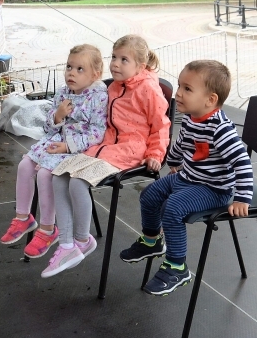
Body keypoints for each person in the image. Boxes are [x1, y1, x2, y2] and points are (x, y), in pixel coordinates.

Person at [42, 34, 171, 278]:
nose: (115, 64)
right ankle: (66, 244)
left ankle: (81, 240)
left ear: (140, 66)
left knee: (78, 182)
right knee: (59, 177)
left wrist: (155, 153)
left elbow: (161, 125)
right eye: (114, 57)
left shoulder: (149, 89)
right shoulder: (113, 86)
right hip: (105, 146)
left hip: (129, 151)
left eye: (124, 60)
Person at [120, 60, 252, 295]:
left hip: (214, 189)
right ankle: (152, 241)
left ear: (210, 100)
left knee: (173, 209)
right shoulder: (192, 118)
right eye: (180, 86)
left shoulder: (220, 129)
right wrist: (174, 162)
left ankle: (177, 266)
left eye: (187, 89)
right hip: (188, 176)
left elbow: (242, 163)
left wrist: (242, 197)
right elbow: (182, 144)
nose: (178, 93)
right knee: (150, 195)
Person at [0, 44, 108, 259]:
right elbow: (47, 128)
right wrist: (58, 116)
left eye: (80, 69)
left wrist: (68, 146)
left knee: (43, 174)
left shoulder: (98, 97)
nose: (71, 73)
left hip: (77, 149)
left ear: (95, 74)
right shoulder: (62, 92)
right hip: (56, 142)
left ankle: (48, 229)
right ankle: (23, 217)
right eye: (69, 67)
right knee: (24, 166)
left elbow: (98, 133)